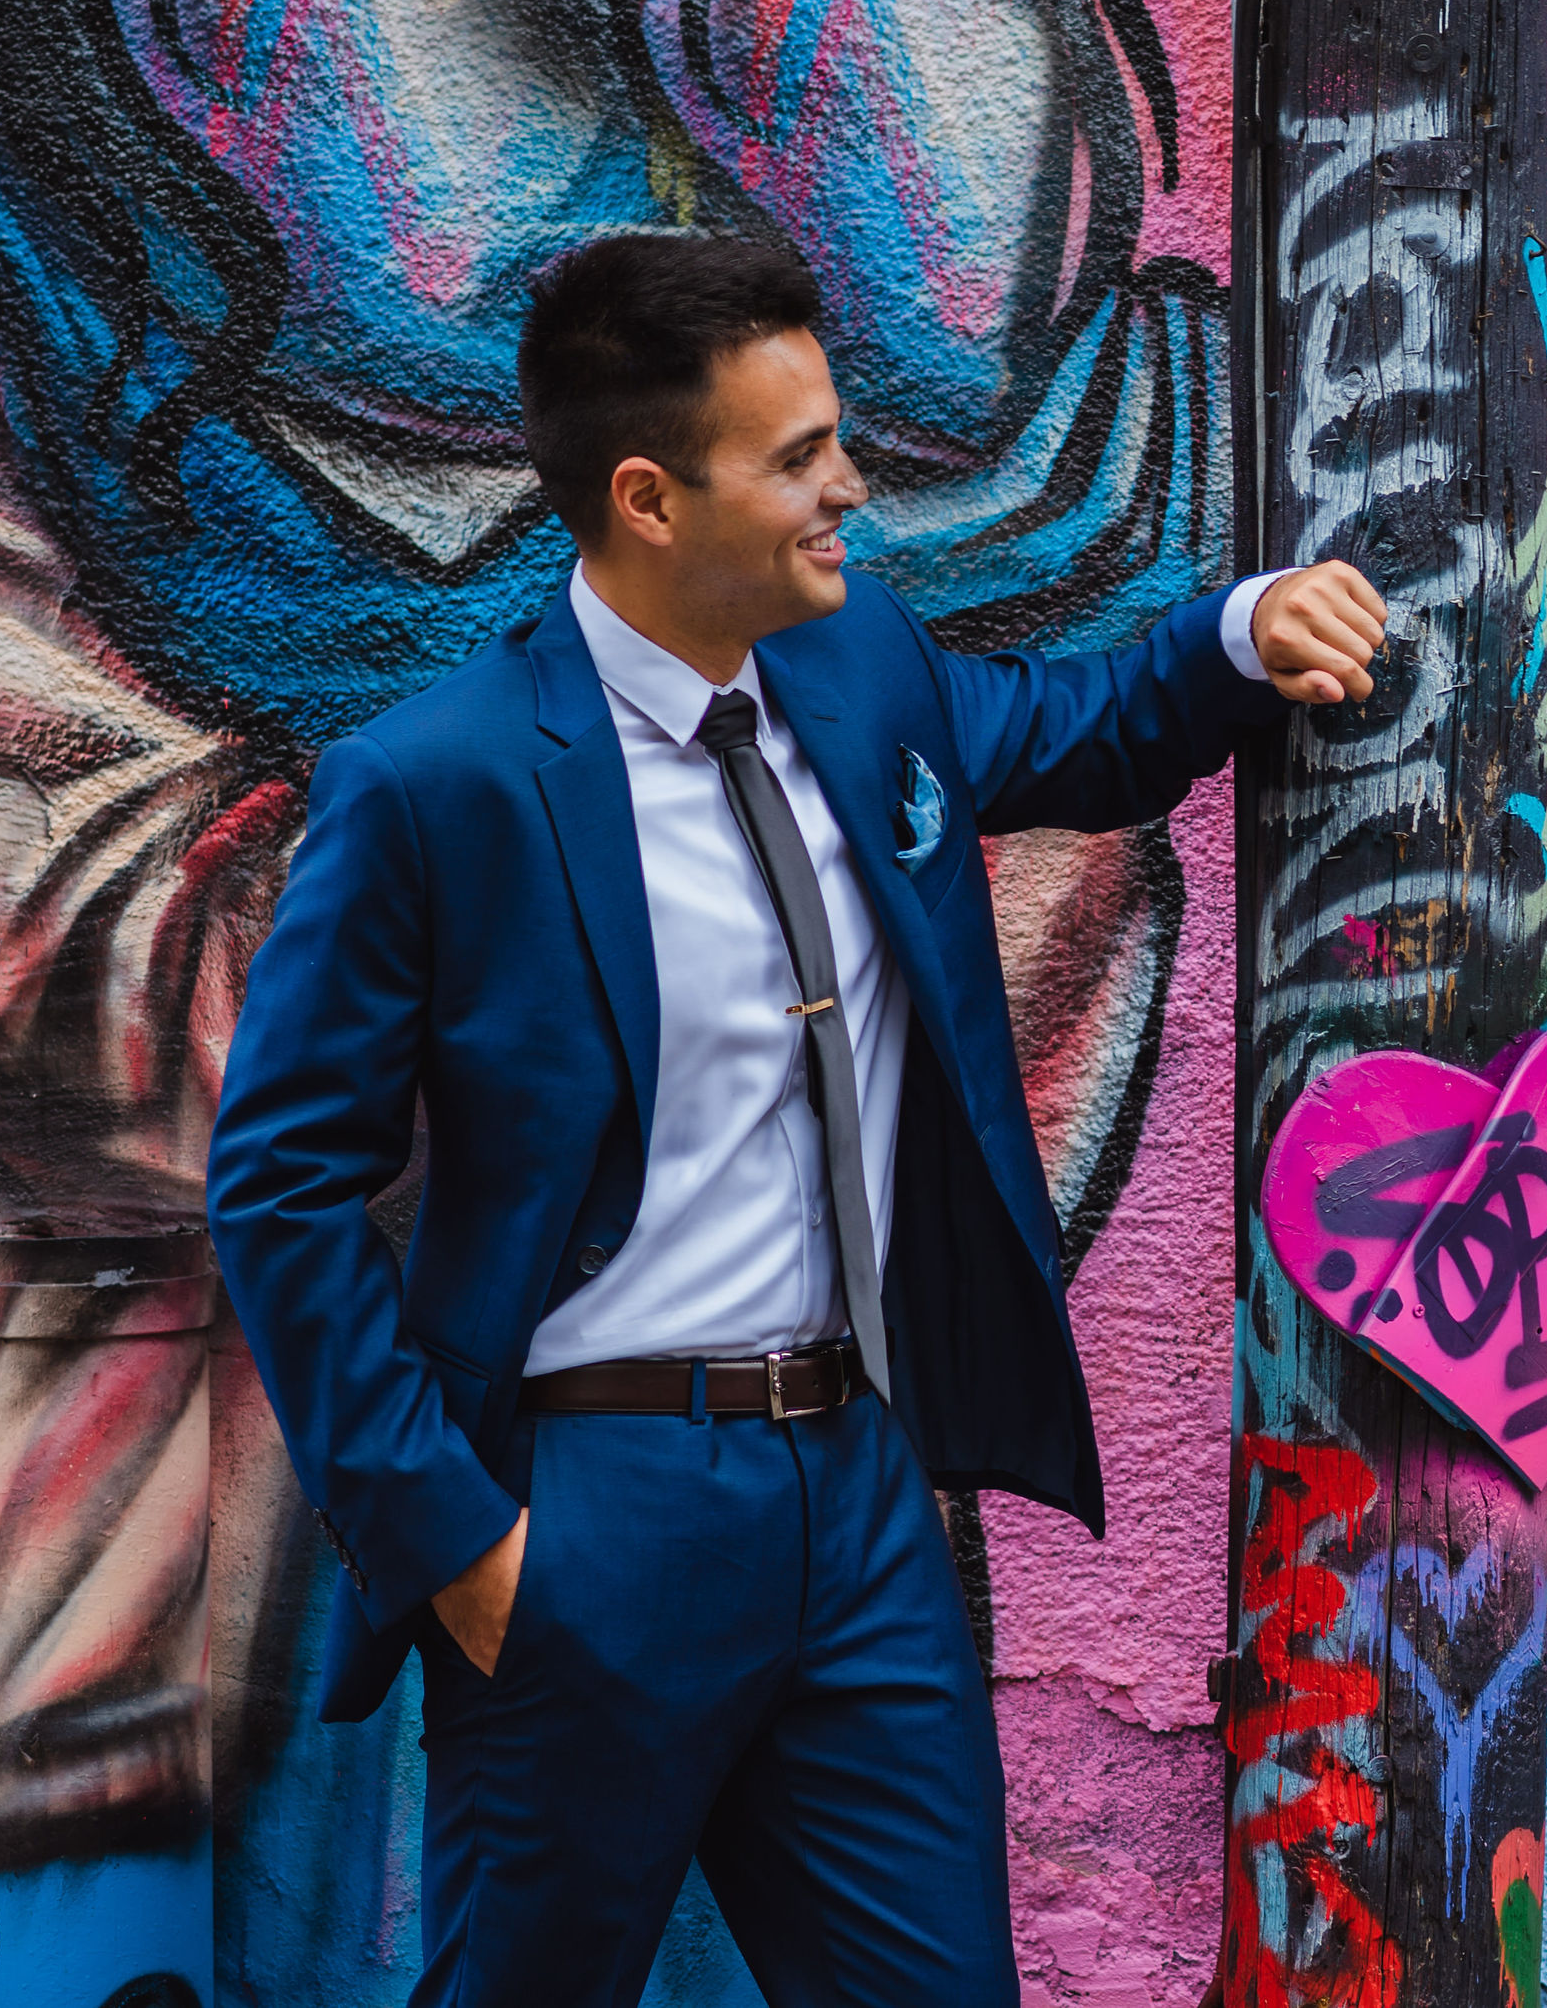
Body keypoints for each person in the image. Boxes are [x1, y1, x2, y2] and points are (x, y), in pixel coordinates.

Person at [204, 233, 1388, 2005]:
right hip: (593, 1513)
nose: (850, 483)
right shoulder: (438, 788)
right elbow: (282, 1191)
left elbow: (1075, 732)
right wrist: (460, 1549)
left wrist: (1240, 633)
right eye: (798, 454)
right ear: (647, 500)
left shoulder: (861, 672)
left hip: (860, 1498)